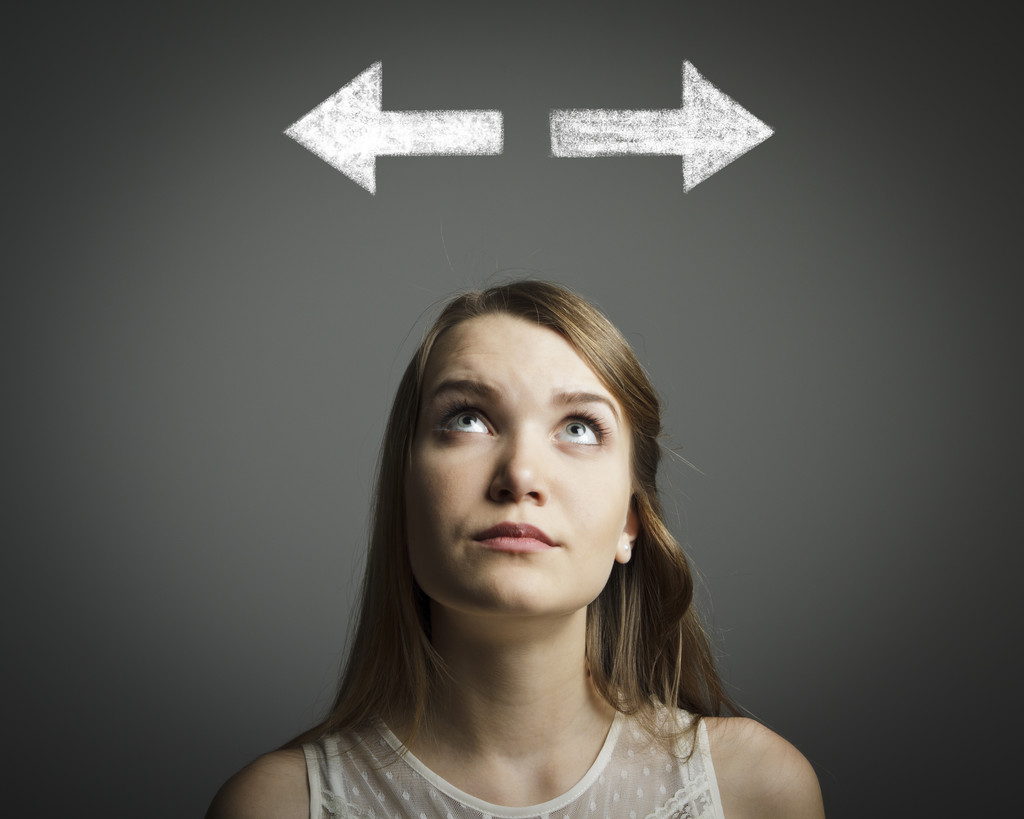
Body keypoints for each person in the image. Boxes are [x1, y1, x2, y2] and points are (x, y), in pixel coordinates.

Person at [206, 278, 825, 819]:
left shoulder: (754, 791)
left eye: (579, 428)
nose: (520, 474)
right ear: (405, 491)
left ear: (630, 523)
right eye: (467, 419)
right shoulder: (278, 807)